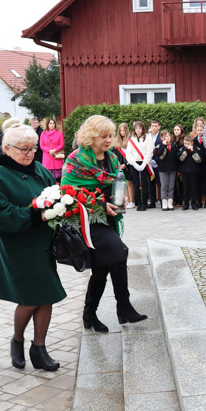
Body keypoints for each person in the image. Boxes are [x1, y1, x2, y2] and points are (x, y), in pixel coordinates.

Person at [0, 120, 65, 372]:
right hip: (19, 244)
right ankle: (17, 340)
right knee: (31, 298)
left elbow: (54, 193)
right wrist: (35, 215)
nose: (29, 154)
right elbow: (1, 213)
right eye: (24, 149)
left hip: (42, 241)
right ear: (7, 149)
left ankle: (39, 348)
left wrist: (61, 206)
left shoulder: (39, 168)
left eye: (32, 149)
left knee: (47, 294)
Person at [64, 115, 147, 332]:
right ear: (91, 136)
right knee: (120, 252)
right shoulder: (76, 159)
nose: (109, 140)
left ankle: (89, 314)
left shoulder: (110, 157)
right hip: (87, 220)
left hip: (108, 218)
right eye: (104, 136)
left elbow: (114, 183)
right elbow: (68, 193)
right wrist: (100, 204)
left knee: (101, 268)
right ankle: (124, 306)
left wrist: (121, 198)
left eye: (110, 135)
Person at [126, 120, 154, 211]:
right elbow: (128, 153)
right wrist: (133, 163)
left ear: (143, 129)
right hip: (134, 163)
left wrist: (144, 163)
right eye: (136, 128)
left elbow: (149, 152)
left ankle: (145, 203)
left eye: (140, 128)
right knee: (136, 184)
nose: (138, 130)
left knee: (145, 184)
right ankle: (139, 203)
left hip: (144, 162)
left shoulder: (148, 138)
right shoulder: (132, 140)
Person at [155, 129, 179, 210]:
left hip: (172, 168)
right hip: (163, 169)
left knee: (171, 185)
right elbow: (159, 155)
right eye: (165, 136)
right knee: (164, 185)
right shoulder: (159, 146)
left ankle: (170, 201)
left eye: (168, 136)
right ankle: (164, 201)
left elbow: (176, 157)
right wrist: (164, 146)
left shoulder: (174, 145)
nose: (168, 138)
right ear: (162, 138)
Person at [178, 134, 203, 210]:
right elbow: (180, 159)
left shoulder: (197, 149)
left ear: (192, 143)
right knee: (185, 188)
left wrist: (192, 151)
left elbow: (199, 160)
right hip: (185, 172)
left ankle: (194, 203)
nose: (186, 145)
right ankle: (185, 203)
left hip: (194, 171)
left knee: (194, 188)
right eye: (185, 143)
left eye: (188, 144)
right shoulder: (181, 149)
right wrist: (185, 151)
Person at [113, 122, 135, 208]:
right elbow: (114, 153)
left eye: (124, 130)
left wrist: (125, 164)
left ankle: (132, 201)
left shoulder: (130, 140)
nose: (122, 132)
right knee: (125, 183)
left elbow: (131, 153)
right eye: (120, 130)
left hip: (129, 164)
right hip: (120, 164)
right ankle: (128, 201)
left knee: (130, 182)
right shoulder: (117, 140)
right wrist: (118, 163)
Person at [40, 118, 65, 183]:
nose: (52, 125)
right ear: (47, 124)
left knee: (58, 179)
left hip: (57, 157)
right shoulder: (43, 133)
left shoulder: (59, 133)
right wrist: (49, 150)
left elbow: (61, 144)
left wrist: (55, 150)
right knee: (48, 178)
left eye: (53, 123)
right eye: (50, 123)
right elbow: (41, 145)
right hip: (47, 158)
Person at [190, 117, 206, 207]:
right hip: (197, 164)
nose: (200, 132)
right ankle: (199, 201)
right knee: (198, 183)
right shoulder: (194, 141)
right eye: (198, 130)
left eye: (201, 130)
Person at [146, 120, 162, 208]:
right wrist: (149, 160)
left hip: (159, 163)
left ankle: (162, 200)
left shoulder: (161, 136)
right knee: (151, 182)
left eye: (156, 126)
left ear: (159, 127)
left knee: (160, 182)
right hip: (149, 163)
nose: (154, 127)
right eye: (152, 126)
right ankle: (152, 201)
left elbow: (162, 150)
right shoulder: (147, 137)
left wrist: (156, 160)